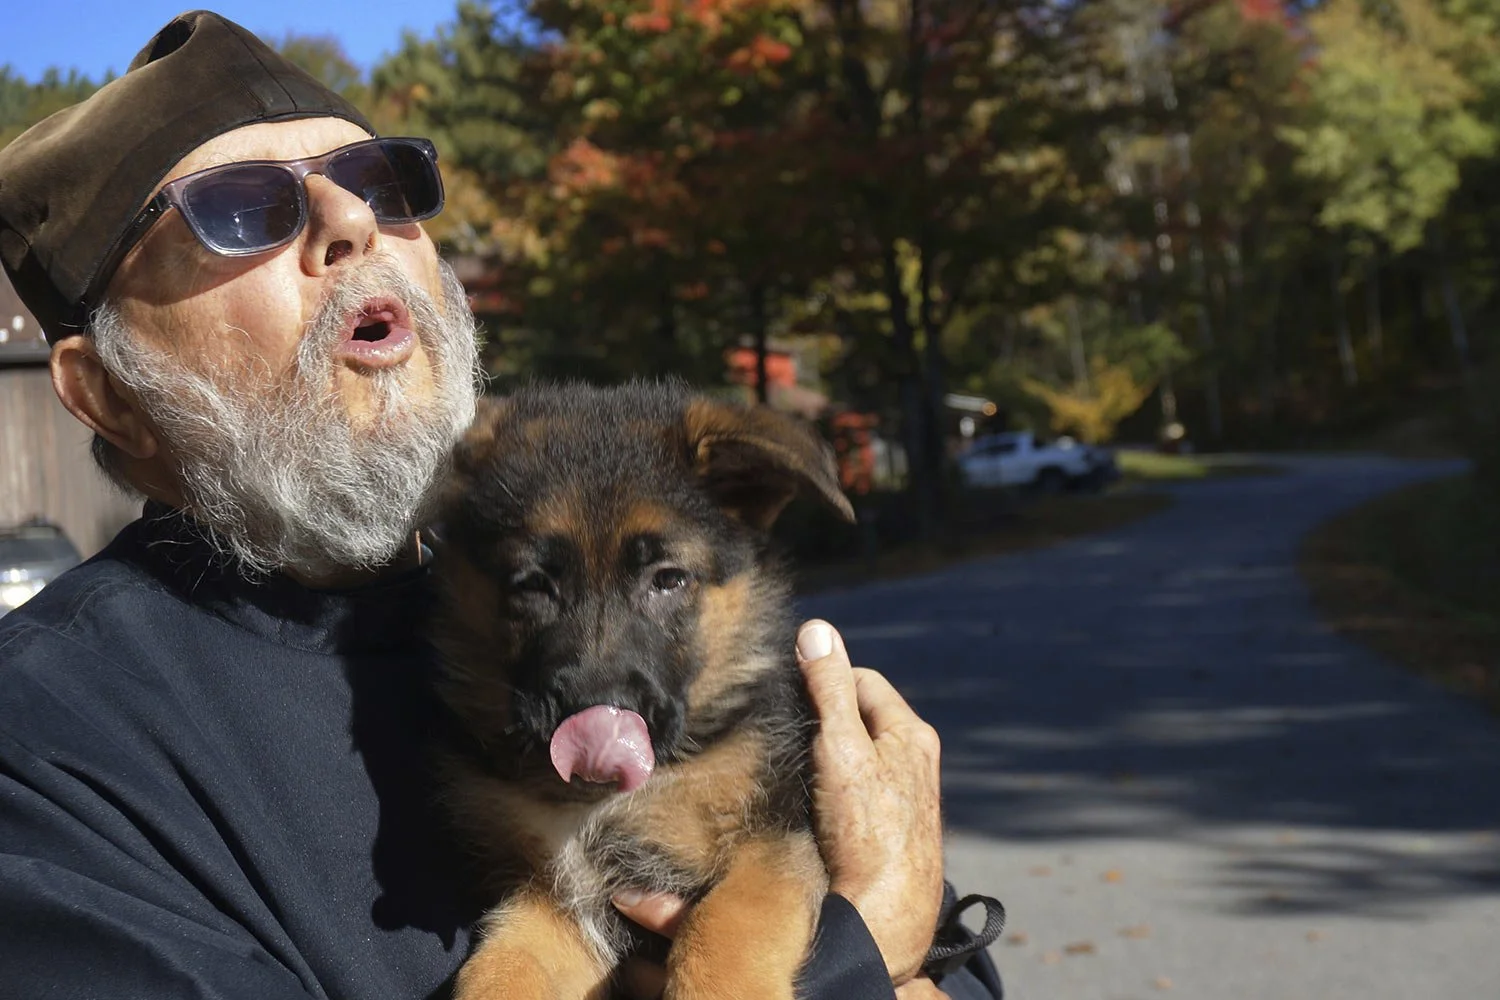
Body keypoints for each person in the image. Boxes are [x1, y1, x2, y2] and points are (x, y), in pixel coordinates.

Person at [0, 11, 1002, 1000]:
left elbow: (958, 960)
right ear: (107, 393)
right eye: (240, 209)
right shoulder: (49, 744)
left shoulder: (537, 554)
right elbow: (879, 928)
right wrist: (854, 954)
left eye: (382, 184)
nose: (350, 222)